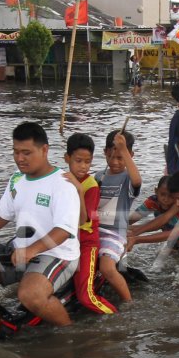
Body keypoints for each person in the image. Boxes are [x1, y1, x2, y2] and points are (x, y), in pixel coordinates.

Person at [0, 122, 80, 327]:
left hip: (57, 253)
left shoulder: (62, 184)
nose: (19, 158)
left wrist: (31, 250)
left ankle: (68, 331)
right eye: (16, 152)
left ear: (44, 150)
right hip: (22, 248)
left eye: (26, 153)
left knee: (30, 295)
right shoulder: (16, 179)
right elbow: (1, 216)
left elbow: (64, 230)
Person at [63, 133, 116, 314]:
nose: (83, 166)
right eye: (78, 161)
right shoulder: (60, 180)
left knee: (85, 297)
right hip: (65, 239)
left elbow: (83, 219)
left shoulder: (90, 186)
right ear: (67, 158)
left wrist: (78, 190)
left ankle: (115, 316)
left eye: (88, 162)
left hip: (86, 243)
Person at [96, 129, 142, 304]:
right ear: (105, 153)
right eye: (111, 157)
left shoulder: (128, 178)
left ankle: (128, 301)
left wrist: (123, 150)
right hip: (94, 230)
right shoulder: (99, 176)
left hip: (114, 234)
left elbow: (137, 181)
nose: (115, 162)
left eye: (120, 158)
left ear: (130, 155)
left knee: (107, 268)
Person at [129, 175, 179, 260]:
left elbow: (172, 233)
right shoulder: (153, 202)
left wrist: (136, 238)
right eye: (162, 194)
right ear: (156, 191)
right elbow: (134, 218)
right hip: (176, 241)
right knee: (166, 262)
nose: (166, 199)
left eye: (171, 196)